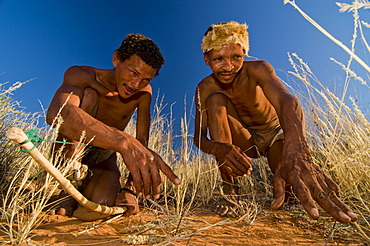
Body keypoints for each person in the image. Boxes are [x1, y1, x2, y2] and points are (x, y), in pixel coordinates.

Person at [193, 21, 357, 223]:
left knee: (291, 195)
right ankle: (231, 193)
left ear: (244, 54)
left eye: (236, 57)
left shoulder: (258, 69)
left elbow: (287, 101)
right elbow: (199, 137)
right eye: (218, 59)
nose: (228, 67)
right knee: (215, 100)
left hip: (274, 137)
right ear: (206, 59)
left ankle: (291, 181)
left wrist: (297, 149)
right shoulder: (205, 87)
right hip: (245, 141)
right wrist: (219, 148)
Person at [46, 33, 180, 219]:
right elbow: (57, 113)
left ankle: (83, 184)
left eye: (145, 79)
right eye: (133, 73)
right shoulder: (82, 75)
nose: (136, 84)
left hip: (104, 154)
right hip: (69, 149)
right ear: (116, 59)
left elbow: (141, 145)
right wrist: (123, 140)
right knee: (89, 96)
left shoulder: (144, 94)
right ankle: (63, 185)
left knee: (102, 203)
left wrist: (130, 190)